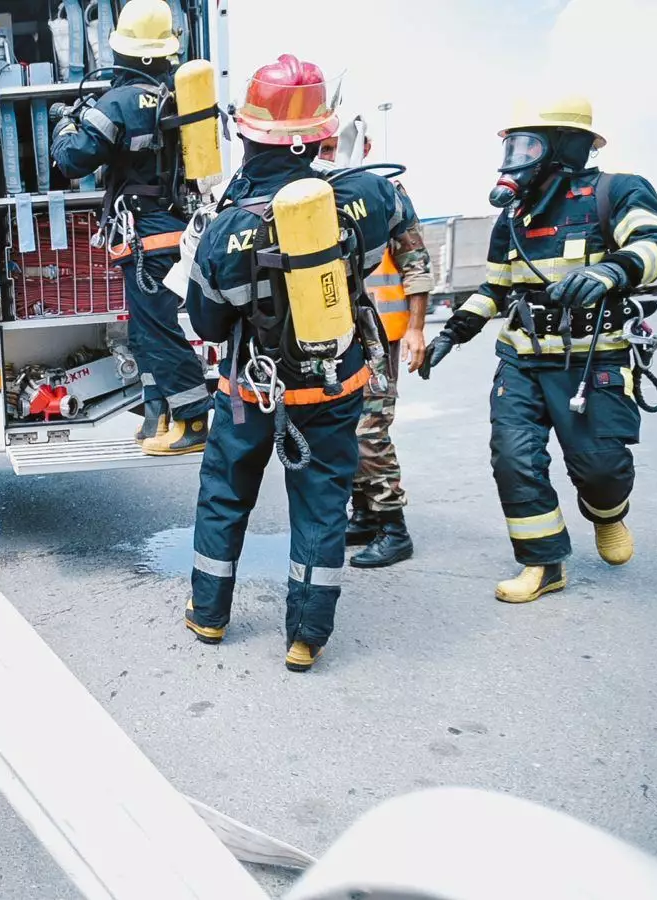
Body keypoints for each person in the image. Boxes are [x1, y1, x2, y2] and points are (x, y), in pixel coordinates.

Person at [174, 54, 415, 672]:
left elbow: (205, 324)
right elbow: (401, 217)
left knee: (226, 496)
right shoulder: (366, 194)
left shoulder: (226, 231)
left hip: (253, 392)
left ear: (247, 134)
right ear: (319, 135)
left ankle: (209, 615)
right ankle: (306, 637)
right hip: (336, 387)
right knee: (321, 503)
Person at [419, 95, 657, 603]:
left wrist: (611, 271)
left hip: (593, 359)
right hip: (521, 359)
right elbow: (496, 289)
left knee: (600, 468)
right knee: (514, 459)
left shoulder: (616, 191)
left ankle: (608, 513)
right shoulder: (514, 216)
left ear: (565, 146)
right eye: (512, 144)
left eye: (528, 143)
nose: (516, 155)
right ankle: (544, 564)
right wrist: (452, 333)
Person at [50, 0, 211, 455]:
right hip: (162, 230)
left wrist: (65, 123)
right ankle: (158, 416)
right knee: (144, 331)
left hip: (147, 236)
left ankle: (194, 420)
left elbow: (71, 160)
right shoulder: (174, 98)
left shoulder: (118, 102)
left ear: (122, 52)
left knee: (157, 331)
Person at [316, 115, 435, 568]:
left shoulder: (385, 194)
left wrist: (418, 329)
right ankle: (364, 514)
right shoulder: (313, 197)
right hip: (335, 338)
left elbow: (416, 264)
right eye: (321, 148)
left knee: (369, 431)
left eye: (333, 148)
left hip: (380, 336)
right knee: (344, 430)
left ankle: (393, 526)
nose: (326, 157)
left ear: (362, 148)